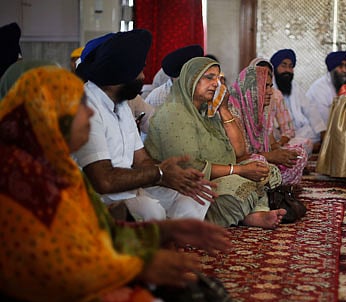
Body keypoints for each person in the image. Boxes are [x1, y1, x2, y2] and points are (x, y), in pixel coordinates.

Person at [0, 66, 231, 302]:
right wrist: (139, 267)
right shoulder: (14, 178)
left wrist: (165, 230)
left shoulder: (61, 170)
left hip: (78, 285)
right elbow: (51, 273)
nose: (91, 115)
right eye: (80, 107)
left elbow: (102, 233)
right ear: (51, 114)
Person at [74, 29, 216, 221]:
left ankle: (172, 234)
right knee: (151, 211)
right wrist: (159, 173)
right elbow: (104, 181)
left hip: (130, 190)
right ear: (120, 74)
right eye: (138, 71)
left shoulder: (121, 103)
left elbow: (141, 161)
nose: (143, 76)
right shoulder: (85, 106)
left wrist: (174, 175)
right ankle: (164, 235)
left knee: (199, 192)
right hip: (95, 199)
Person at [145, 56, 286, 229]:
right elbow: (191, 167)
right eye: (209, 77)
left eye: (218, 79)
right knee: (240, 187)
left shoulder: (207, 111)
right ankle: (224, 218)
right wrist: (240, 170)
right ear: (191, 79)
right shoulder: (174, 114)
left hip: (217, 174)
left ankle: (254, 213)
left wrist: (224, 109)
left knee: (265, 170)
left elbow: (239, 151)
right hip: (179, 185)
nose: (216, 84)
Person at [229, 59, 308, 185]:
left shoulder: (262, 110)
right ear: (251, 87)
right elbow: (234, 157)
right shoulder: (233, 110)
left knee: (298, 154)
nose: (271, 92)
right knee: (260, 161)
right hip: (241, 166)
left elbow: (270, 142)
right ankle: (271, 189)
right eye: (265, 86)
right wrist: (270, 156)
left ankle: (279, 189)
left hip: (263, 159)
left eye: (271, 86)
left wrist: (279, 152)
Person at [270, 48, 327, 153]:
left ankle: (304, 147)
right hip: (279, 134)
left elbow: (310, 109)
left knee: (316, 134)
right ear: (274, 68)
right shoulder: (270, 88)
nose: (287, 70)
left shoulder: (295, 87)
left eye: (290, 66)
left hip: (297, 131)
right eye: (284, 65)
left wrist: (322, 131)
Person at [306, 50, 346, 125]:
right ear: (332, 69)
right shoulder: (320, 88)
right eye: (341, 66)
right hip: (317, 132)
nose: (345, 70)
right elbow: (323, 120)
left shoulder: (345, 85)